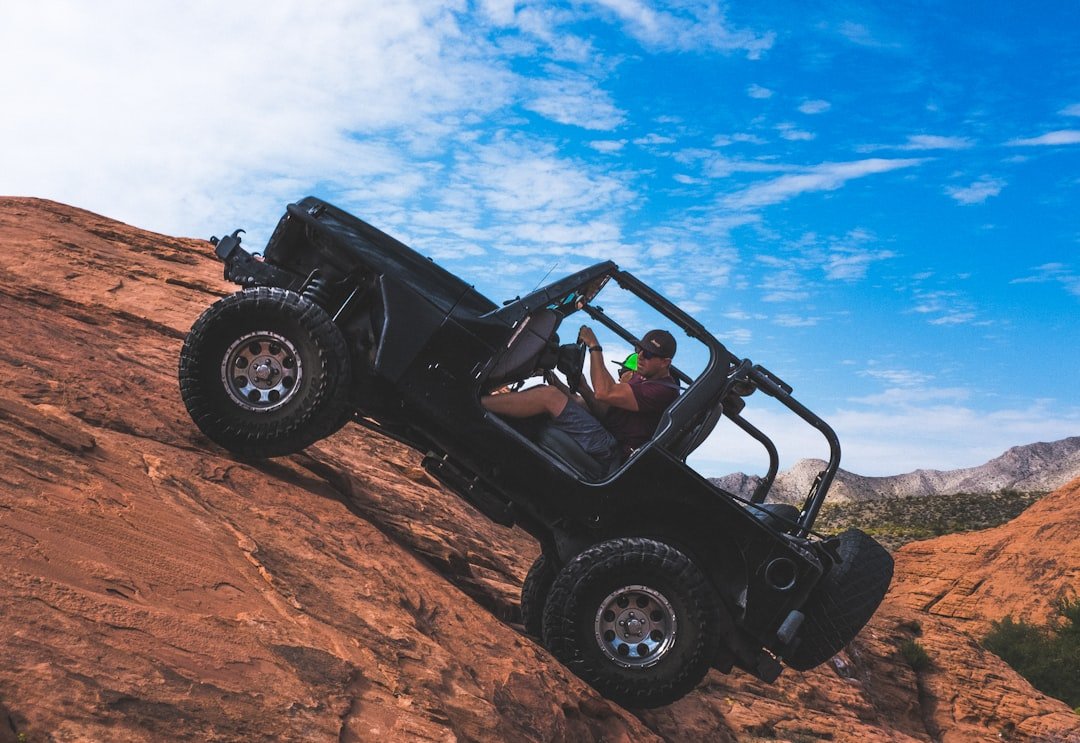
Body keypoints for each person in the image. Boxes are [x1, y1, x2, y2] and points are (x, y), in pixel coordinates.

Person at [481, 326, 680, 470]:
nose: (641, 356)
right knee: (548, 390)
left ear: (665, 362)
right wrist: (568, 383)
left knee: (548, 397)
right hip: (606, 432)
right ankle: (484, 415)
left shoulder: (663, 391)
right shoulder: (642, 377)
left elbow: (604, 393)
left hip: (612, 451)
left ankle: (474, 404)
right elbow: (601, 407)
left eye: (649, 354)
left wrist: (594, 346)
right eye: (639, 349)